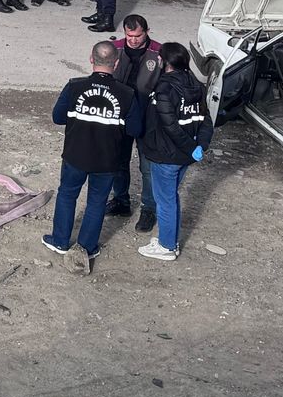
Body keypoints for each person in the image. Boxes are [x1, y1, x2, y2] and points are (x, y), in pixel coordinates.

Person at [42, 40, 143, 274]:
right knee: (96, 202)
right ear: (116, 64)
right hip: (107, 160)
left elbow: (57, 117)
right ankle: (87, 246)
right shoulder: (126, 94)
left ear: (91, 59)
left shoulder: (74, 86)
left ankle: (59, 241)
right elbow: (135, 129)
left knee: (67, 195)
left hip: (75, 155)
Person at [137, 41, 210, 262]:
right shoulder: (198, 86)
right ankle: (170, 240)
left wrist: (192, 148)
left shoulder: (165, 88)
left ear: (165, 62)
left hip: (166, 155)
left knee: (165, 200)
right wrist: (199, 147)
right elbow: (206, 121)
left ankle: (167, 246)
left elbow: (170, 126)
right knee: (171, 198)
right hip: (184, 157)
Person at [108, 14, 162, 225]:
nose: (133, 40)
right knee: (118, 161)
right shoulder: (115, 49)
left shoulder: (159, 52)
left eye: (138, 36)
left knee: (147, 167)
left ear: (147, 32)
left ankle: (149, 208)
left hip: (147, 117)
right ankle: (121, 201)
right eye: (129, 35)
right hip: (119, 116)